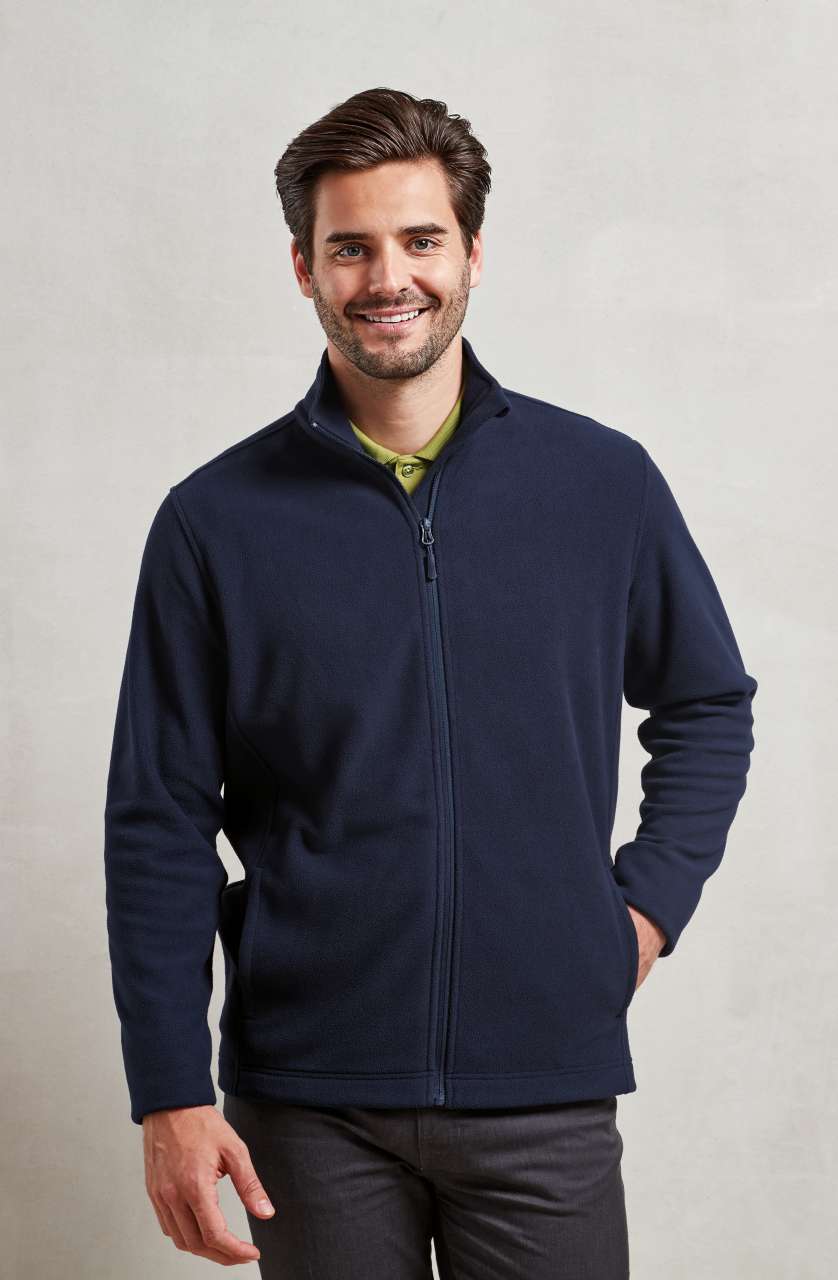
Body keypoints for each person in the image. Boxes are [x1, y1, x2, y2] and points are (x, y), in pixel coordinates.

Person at [103, 87, 758, 1278]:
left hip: (543, 1080)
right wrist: (168, 1089)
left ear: (471, 253)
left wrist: (646, 905)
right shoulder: (215, 520)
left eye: (419, 239)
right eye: (350, 246)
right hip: (309, 1101)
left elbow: (705, 699)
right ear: (302, 266)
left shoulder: (599, 482)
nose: (387, 276)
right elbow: (157, 816)